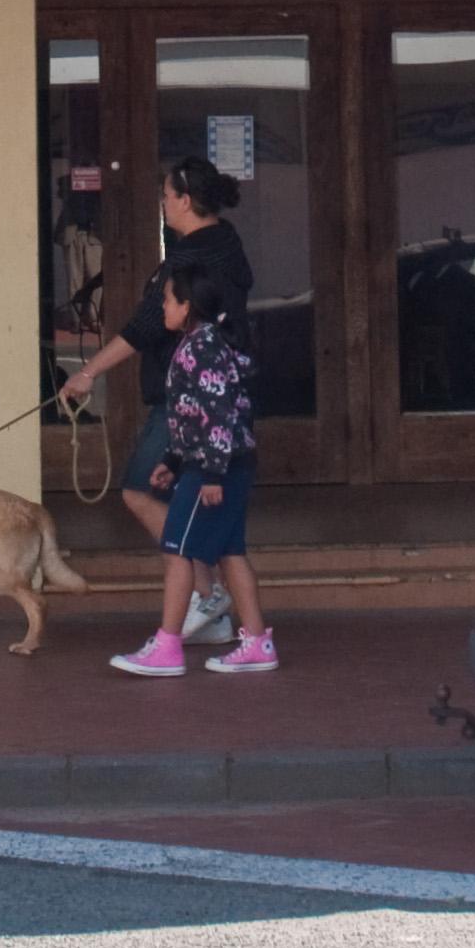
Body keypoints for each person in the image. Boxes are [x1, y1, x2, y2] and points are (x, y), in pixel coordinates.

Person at [53, 155, 254, 646]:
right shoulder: (223, 244)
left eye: (166, 195)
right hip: (207, 398)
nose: (162, 203)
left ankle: (206, 598)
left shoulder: (190, 259)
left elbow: (146, 325)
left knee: (139, 492)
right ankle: (220, 614)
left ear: (185, 199)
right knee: (202, 518)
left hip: (188, 400)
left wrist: (86, 374)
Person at [110, 261, 272, 677]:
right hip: (220, 463)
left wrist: (211, 474)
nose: (161, 307)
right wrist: (171, 460)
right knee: (230, 551)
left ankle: (167, 646)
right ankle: (256, 642)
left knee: (178, 550)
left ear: (187, 307)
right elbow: (192, 416)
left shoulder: (200, 348)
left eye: (166, 300)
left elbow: (216, 415)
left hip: (213, 469)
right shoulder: (206, 343)